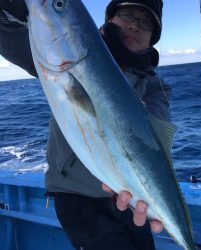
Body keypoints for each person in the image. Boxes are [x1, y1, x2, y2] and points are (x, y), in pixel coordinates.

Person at [0, 1, 170, 249]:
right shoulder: (67, 50)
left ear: (152, 38)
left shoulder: (155, 86)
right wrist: (7, 14)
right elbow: (18, 41)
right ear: (110, 19)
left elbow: (155, 137)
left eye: (146, 22)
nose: (135, 24)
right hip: (76, 195)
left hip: (130, 194)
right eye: (127, 14)